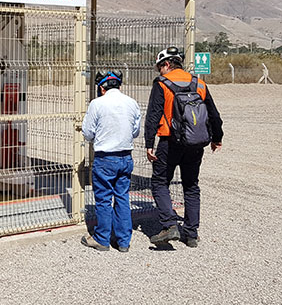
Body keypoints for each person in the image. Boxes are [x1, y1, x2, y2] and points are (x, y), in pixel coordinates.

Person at [145, 46, 223, 248]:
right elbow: (213, 114)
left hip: (169, 143)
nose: (159, 71)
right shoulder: (199, 83)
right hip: (195, 143)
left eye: (159, 67)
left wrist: (148, 144)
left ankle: (169, 225)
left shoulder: (162, 83)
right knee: (191, 186)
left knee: (160, 182)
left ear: (167, 64)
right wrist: (217, 138)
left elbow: (153, 116)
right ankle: (191, 234)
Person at [80, 70, 141, 252]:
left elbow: (87, 132)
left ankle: (102, 239)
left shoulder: (97, 104)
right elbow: (135, 131)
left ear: (102, 88)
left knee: (104, 198)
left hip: (105, 158)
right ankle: (123, 242)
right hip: (125, 157)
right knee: (122, 197)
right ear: (119, 86)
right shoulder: (132, 103)